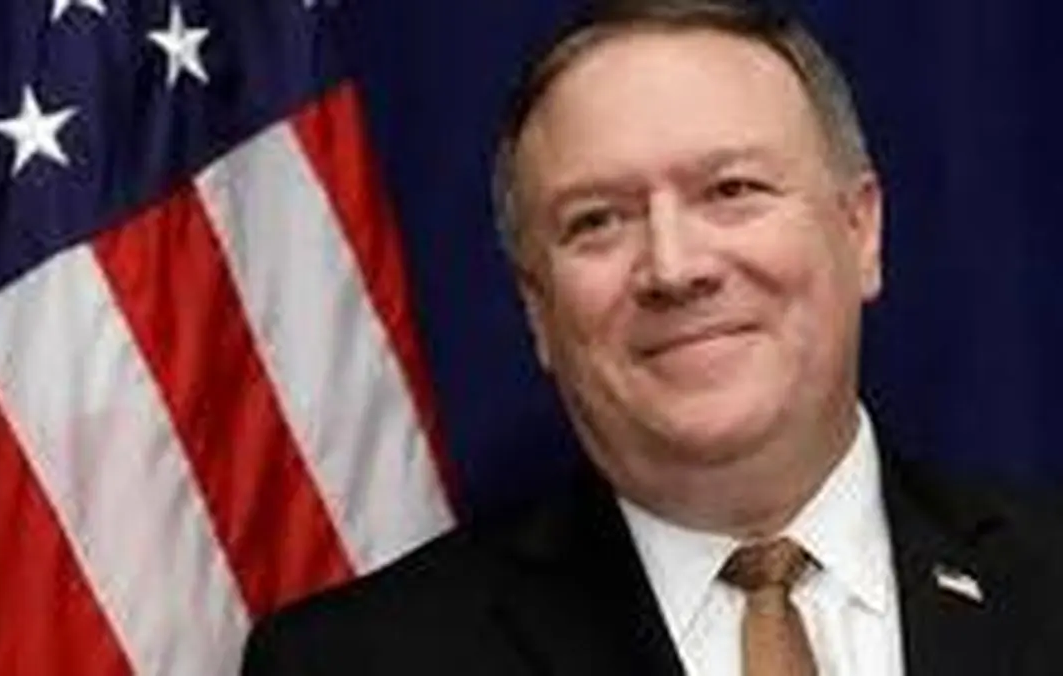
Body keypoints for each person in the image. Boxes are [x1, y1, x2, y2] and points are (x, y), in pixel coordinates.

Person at [241, 0, 1063, 673]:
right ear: (536, 306)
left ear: (860, 231)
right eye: (598, 220)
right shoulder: (354, 663)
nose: (674, 267)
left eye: (731, 190)